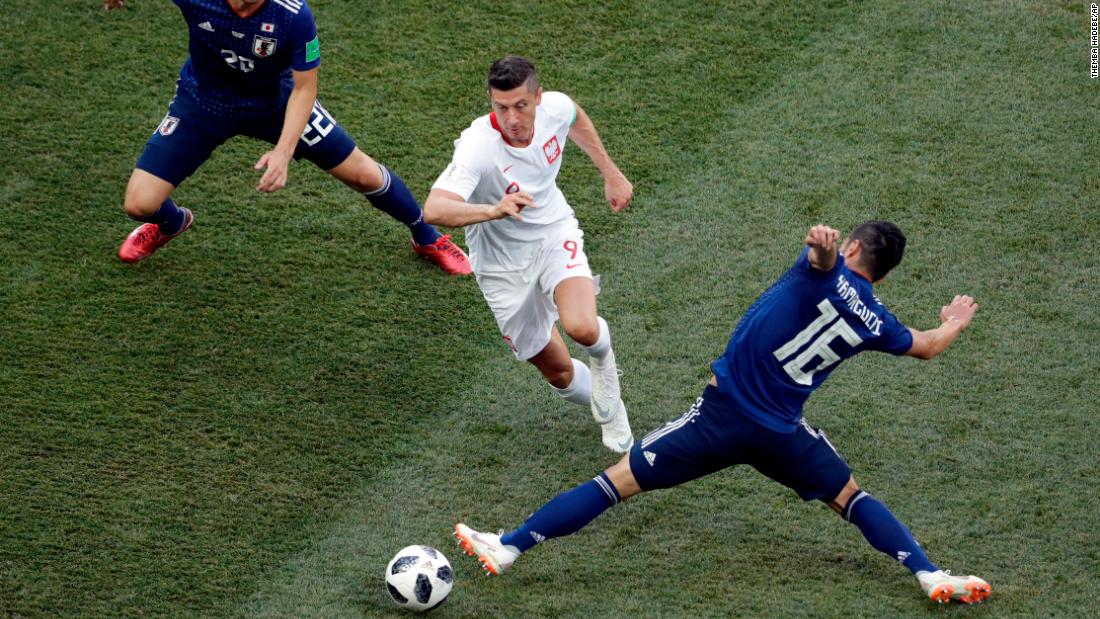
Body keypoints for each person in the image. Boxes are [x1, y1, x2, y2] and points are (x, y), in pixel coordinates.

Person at [455, 222, 993, 605]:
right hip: (781, 433)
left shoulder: (822, 275)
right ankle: (927, 572)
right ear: (885, 273)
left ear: (853, 245)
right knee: (850, 497)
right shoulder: (877, 318)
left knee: (614, 483)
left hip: (720, 418)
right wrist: (956, 321)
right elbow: (925, 345)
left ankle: (508, 547)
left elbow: (821, 266)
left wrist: (822, 250)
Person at [116, 0, 471, 275]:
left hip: (277, 106)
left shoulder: (294, 15)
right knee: (139, 204)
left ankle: (425, 234)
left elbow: (305, 89)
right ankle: (172, 222)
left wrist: (284, 151)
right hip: (203, 103)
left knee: (362, 173)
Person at [424, 56, 635, 452]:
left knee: (581, 327)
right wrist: (492, 210)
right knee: (557, 372)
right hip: (500, 266)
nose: (512, 118)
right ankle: (610, 397)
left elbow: (574, 116)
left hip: (553, 234)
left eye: (521, 105)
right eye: (501, 108)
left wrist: (610, 172)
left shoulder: (554, 107)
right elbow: (434, 209)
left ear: (538, 97)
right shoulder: (478, 148)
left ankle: (607, 377)